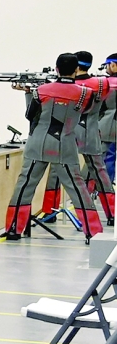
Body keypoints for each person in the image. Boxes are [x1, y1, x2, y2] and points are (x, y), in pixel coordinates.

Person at [3, 53, 100, 244]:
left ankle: (14, 229)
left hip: (37, 143)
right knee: (77, 188)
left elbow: (30, 116)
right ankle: (93, 232)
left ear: (56, 69)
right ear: (75, 70)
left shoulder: (40, 90)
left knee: (25, 185)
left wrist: (28, 93)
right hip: (65, 144)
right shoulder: (86, 93)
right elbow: (85, 113)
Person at [42, 51, 113, 225]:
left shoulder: (61, 88)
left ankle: (49, 212)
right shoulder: (102, 83)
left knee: (55, 174)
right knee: (100, 173)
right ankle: (111, 213)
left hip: (65, 134)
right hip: (90, 133)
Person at [99, 54, 117, 183]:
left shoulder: (105, 83)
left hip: (110, 125)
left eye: (107, 65)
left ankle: (106, 189)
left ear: (113, 65)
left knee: (107, 158)